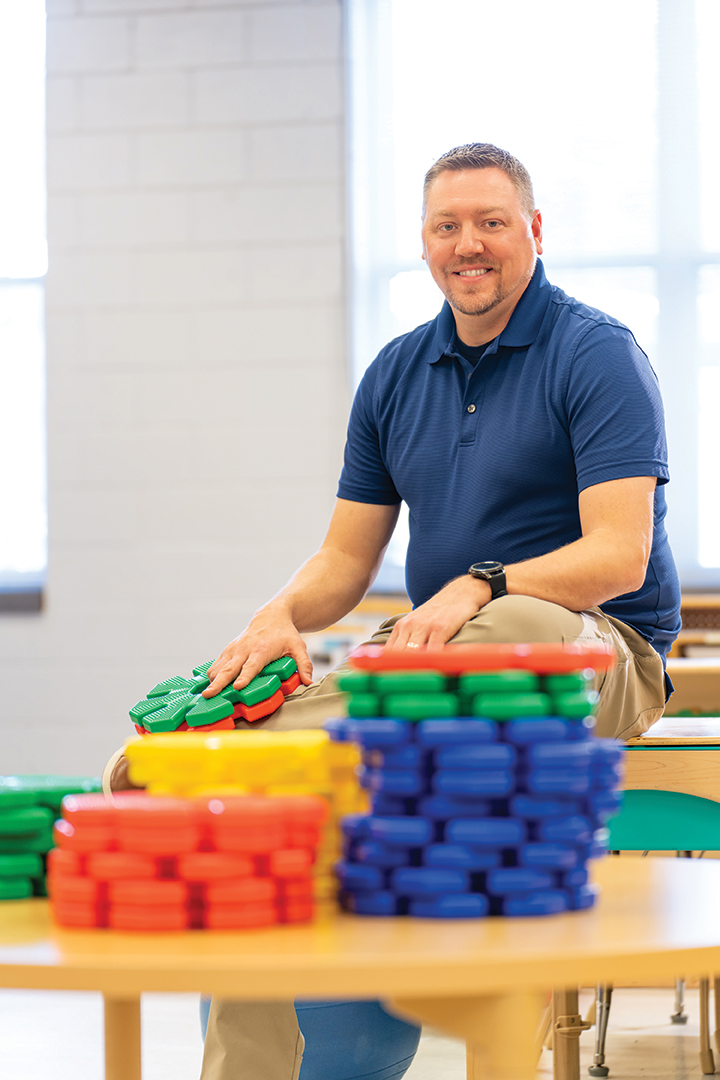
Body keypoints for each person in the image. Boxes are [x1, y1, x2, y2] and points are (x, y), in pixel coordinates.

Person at [106, 143, 681, 1080]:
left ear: (533, 232)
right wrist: (277, 614)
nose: (470, 244)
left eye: (492, 222)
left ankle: (246, 746)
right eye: (447, 226)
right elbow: (344, 558)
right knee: (278, 808)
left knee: (512, 637)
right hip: (431, 663)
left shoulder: (597, 352)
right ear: (423, 244)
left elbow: (616, 556)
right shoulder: (396, 372)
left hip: (597, 653)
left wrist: (483, 583)